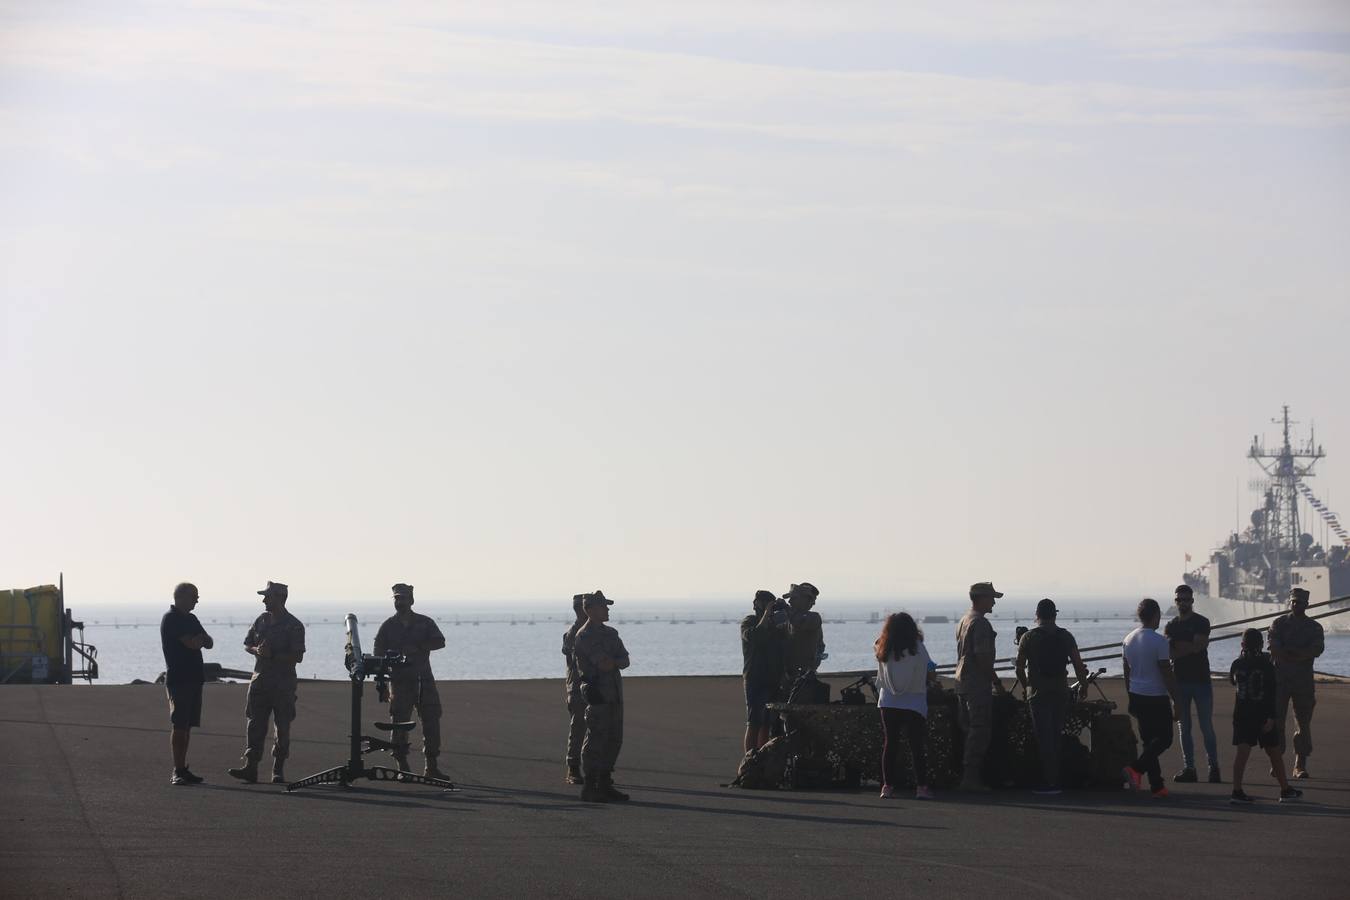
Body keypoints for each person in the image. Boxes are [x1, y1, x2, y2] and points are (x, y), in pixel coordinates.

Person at [228, 581, 306, 785]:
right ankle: (250, 767)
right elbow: (248, 644)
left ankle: (277, 769)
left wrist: (273, 655)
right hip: (260, 682)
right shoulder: (261, 620)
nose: (264, 600)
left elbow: (297, 656)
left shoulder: (294, 625)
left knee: (282, 727)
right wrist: (257, 651)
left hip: (283, 685)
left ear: (280, 598)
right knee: (254, 725)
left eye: (268, 596)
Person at [1014, 598, 1089, 795]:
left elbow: (1019, 667)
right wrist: (1084, 685)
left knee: (1043, 737)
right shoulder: (1066, 636)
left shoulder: (1028, 637)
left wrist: (1026, 687)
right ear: (1055, 614)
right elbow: (1078, 664)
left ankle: (1049, 781)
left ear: (1037, 615)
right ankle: (1056, 778)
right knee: (1056, 735)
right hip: (1060, 691)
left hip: (1038, 694)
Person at [373, 583, 447, 780]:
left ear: (411, 600)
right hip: (399, 683)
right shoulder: (388, 626)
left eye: (403, 598)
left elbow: (440, 641)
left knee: (431, 723)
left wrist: (419, 646)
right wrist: (381, 682)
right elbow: (378, 655)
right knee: (399, 724)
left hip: (424, 682)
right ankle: (402, 767)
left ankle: (431, 766)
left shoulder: (425, 622)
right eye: (397, 599)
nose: (400, 602)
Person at [1228, 628, 1301, 804]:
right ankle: (1285, 789)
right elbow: (1270, 692)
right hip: (1262, 715)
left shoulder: (1236, 664)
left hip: (1242, 715)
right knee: (1274, 753)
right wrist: (1271, 717)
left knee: (1242, 754)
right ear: (1261, 645)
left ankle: (1236, 791)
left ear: (1242, 645)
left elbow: (1233, 681)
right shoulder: (1266, 664)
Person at [573, 590, 631, 803]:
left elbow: (625, 660)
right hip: (597, 693)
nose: (607, 610)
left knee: (614, 739)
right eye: (603, 607)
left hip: (614, 694)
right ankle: (590, 785)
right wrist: (614, 662)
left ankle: (605, 783)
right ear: (589, 610)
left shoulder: (611, 633)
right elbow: (604, 663)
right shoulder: (585, 636)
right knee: (596, 739)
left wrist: (614, 662)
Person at [1121, 598, 1180, 798]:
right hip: (1156, 696)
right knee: (1165, 739)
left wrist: (1130, 695)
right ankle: (1136, 768)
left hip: (1137, 694)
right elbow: (1166, 672)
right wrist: (1176, 699)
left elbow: (1126, 671)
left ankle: (1157, 786)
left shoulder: (1128, 639)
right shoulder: (1160, 641)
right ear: (1155, 616)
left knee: (1149, 741)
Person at [874, 612, 934, 800]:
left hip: (889, 702)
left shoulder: (881, 646)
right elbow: (930, 668)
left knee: (890, 744)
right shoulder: (918, 648)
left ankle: (887, 786)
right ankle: (921, 787)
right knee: (916, 746)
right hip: (914, 701)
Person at [1165, 584, 1220, 783]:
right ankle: (1190, 768)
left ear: (1192, 601)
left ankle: (1213, 766)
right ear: (1176, 601)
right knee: (1184, 727)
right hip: (1180, 682)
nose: (1183, 603)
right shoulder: (1171, 625)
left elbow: (1199, 645)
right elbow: (1171, 652)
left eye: (1186, 599)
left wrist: (1182, 647)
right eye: (1179, 600)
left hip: (1201, 681)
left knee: (1206, 726)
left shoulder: (1202, 622)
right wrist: (1191, 646)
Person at [954, 581, 1006, 792]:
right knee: (979, 730)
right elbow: (983, 658)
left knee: (968, 730)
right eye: (992, 597)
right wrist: (997, 682)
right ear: (982, 599)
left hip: (962, 683)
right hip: (976, 685)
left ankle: (967, 776)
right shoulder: (981, 624)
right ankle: (971, 778)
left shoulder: (964, 620)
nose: (994, 601)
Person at [160, 582, 213, 786]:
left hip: (194, 678)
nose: (197, 600)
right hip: (179, 679)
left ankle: (183, 768)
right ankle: (177, 769)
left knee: (188, 726)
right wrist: (198, 639)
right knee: (179, 725)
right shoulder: (171, 619)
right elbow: (192, 643)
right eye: (194, 597)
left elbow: (208, 642)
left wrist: (199, 639)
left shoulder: (191, 618)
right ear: (180, 597)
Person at [1268, 587, 1324, 778]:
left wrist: (1289, 652)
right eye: (1293, 601)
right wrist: (1299, 653)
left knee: (1303, 723)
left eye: (1299, 602)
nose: (1295, 605)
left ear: (1306, 605)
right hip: (1280, 680)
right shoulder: (1278, 623)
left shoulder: (1314, 627)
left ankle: (1300, 764)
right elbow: (1274, 649)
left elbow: (1316, 650)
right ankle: (1277, 762)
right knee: (1277, 722)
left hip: (1302, 682)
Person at [741, 589, 788, 753]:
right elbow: (756, 636)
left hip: (773, 679)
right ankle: (749, 759)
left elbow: (787, 642)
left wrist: (786, 613)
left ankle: (762, 757)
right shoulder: (750, 622)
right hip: (755, 678)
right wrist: (767, 614)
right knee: (754, 722)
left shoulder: (775, 626)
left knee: (767, 723)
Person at [562, 593, 588, 784]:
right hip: (578, 689)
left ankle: (596, 770)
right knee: (578, 728)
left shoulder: (597, 631)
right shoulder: (573, 633)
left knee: (598, 731)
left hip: (595, 687)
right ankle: (573, 768)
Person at [783, 582, 825, 682]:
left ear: (803, 600)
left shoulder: (813, 618)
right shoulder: (787, 617)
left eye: (793, 598)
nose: (789, 602)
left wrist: (812, 666)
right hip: (787, 675)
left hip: (803, 676)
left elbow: (799, 623)